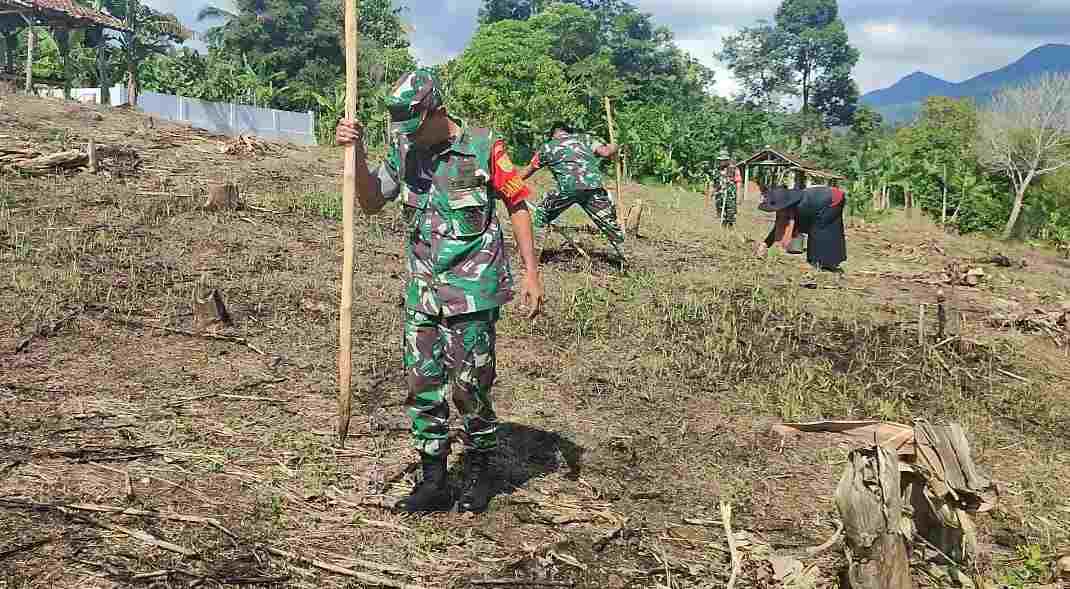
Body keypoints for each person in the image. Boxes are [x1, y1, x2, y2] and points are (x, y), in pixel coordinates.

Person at [335, 68, 545, 514]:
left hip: (473, 292)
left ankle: (480, 473)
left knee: (471, 388)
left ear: (438, 111)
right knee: (422, 386)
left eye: (417, 125)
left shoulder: (484, 146)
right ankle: (434, 480)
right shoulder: (405, 149)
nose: (411, 134)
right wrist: (356, 152)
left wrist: (532, 273)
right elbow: (371, 202)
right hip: (423, 293)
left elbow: (518, 204)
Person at [520, 123, 625, 261]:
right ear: (569, 132)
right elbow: (605, 152)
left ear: (553, 134)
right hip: (594, 188)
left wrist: (508, 183)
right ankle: (624, 257)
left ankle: (532, 254)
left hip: (568, 190)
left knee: (542, 212)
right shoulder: (585, 138)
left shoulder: (547, 147)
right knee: (610, 225)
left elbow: (528, 170)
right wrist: (615, 147)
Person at [754, 185, 847, 271]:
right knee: (821, 230)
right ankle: (825, 263)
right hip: (825, 198)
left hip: (833, 200)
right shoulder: (788, 206)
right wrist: (765, 244)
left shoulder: (802, 207)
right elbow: (779, 225)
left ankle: (818, 263)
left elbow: (803, 226)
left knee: (819, 230)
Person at [712, 149, 741, 227]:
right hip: (719, 195)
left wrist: (738, 195)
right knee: (720, 212)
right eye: (721, 160)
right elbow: (715, 183)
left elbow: (738, 182)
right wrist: (713, 192)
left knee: (730, 213)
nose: (722, 161)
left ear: (727, 160)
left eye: (724, 160)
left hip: (730, 195)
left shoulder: (734, 169)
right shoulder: (716, 170)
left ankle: (730, 227)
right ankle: (723, 226)